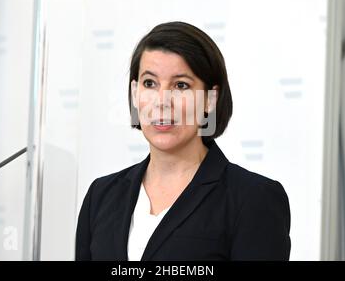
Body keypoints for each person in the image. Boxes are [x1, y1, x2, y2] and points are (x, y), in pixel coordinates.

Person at [76, 21, 291, 260]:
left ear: (210, 99)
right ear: (135, 93)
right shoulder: (102, 195)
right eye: (150, 83)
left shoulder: (254, 198)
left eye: (180, 85)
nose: (162, 101)